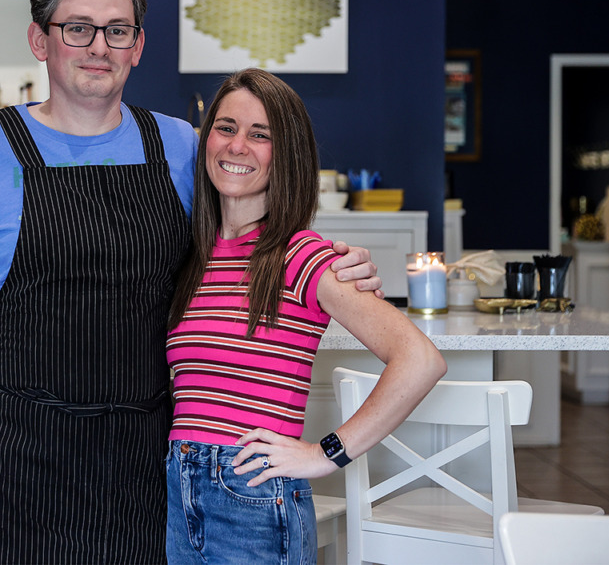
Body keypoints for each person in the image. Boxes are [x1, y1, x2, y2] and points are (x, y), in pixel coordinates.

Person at [0, 0, 382, 564]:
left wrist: (339, 261)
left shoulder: (181, 145)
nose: (97, 46)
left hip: (146, 457)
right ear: (39, 39)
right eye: (77, 28)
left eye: (117, 31)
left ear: (137, 47)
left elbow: (244, 245)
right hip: (17, 449)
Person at [164, 68, 448, 564]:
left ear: (287, 154)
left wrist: (324, 453)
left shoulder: (304, 257)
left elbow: (420, 359)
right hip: (174, 493)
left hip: (251, 498)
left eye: (261, 135)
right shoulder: (192, 258)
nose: (237, 146)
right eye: (226, 127)